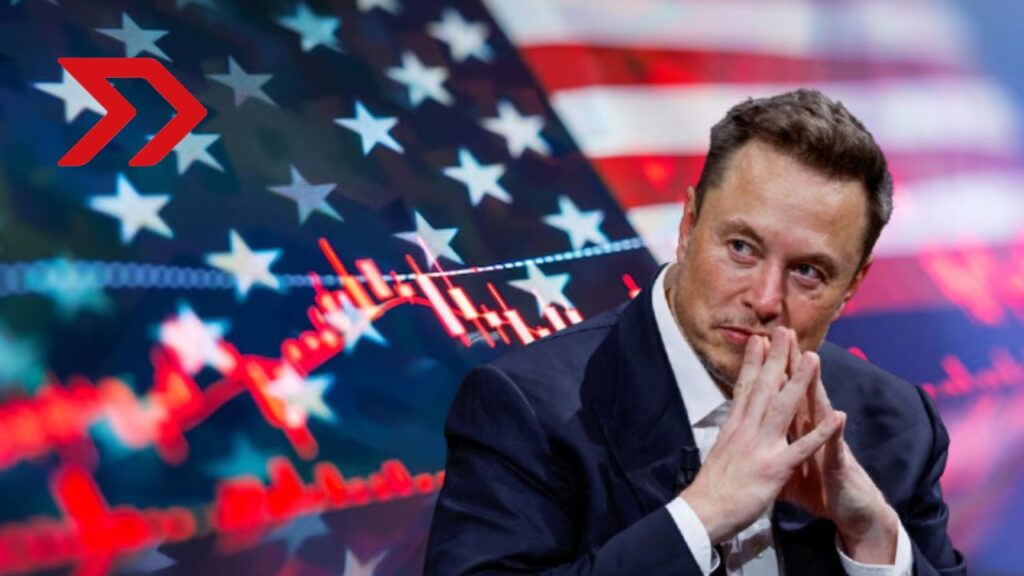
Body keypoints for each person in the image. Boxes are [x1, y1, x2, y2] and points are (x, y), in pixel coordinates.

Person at [424, 89, 966, 575]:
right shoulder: (528, 409)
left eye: (808, 271)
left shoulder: (899, 424)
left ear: (851, 286)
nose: (765, 299)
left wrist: (874, 540)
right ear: (687, 227)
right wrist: (699, 517)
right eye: (742, 248)